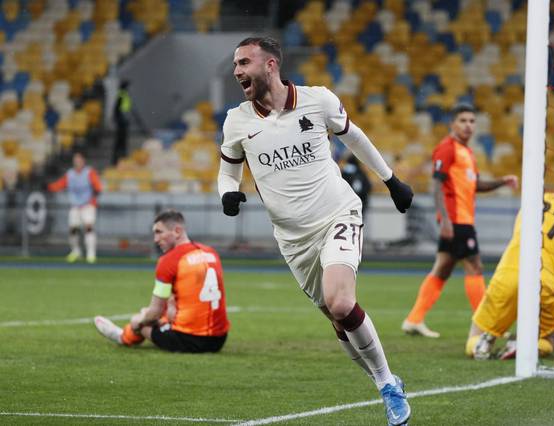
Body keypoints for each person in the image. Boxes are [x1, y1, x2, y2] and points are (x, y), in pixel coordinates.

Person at [218, 37, 413, 425]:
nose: (237, 70)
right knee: (339, 319)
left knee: (341, 302)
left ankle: (386, 386)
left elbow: (354, 136)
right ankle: (388, 378)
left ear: (270, 64)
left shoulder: (317, 99)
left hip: (337, 214)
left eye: (244, 62)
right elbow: (228, 169)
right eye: (235, 64)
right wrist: (228, 193)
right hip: (293, 240)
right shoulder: (236, 120)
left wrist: (391, 180)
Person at [401, 104, 519, 338]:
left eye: (472, 121)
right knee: (475, 266)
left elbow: (476, 186)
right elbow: (436, 185)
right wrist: (444, 220)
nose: (468, 125)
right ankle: (485, 325)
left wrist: (502, 181)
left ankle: (414, 320)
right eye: (463, 120)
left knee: (442, 270)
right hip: (456, 221)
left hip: (461, 219)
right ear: (452, 124)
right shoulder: (447, 148)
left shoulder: (467, 153)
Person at [465, 171, 554, 360]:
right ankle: (524, 345)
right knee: (549, 340)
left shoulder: (535, 200)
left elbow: (518, 234)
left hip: (507, 275)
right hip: (543, 281)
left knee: (475, 336)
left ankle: (481, 344)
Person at [94, 210, 230, 353]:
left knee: (144, 321)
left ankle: (123, 336)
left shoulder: (169, 260)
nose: (155, 239)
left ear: (177, 231)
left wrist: (138, 321)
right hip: (219, 339)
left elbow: (155, 311)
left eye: (159, 232)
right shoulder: (211, 252)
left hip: (189, 339)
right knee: (163, 313)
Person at [48, 151, 102, 263]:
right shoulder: (70, 174)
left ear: (83, 161)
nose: (77, 162)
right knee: (73, 229)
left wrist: (93, 199)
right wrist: (48, 187)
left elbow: (98, 187)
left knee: (89, 227)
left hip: (88, 205)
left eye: (79, 160)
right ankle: (76, 251)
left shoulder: (89, 172)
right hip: (75, 206)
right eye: (75, 160)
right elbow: (60, 184)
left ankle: (91, 254)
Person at [113, 79, 131, 165]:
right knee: (120, 142)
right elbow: (117, 109)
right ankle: (117, 160)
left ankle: (120, 159)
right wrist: (120, 120)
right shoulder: (121, 95)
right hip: (121, 122)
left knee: (121, 142)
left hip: (123, 120)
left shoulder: (123, 94)